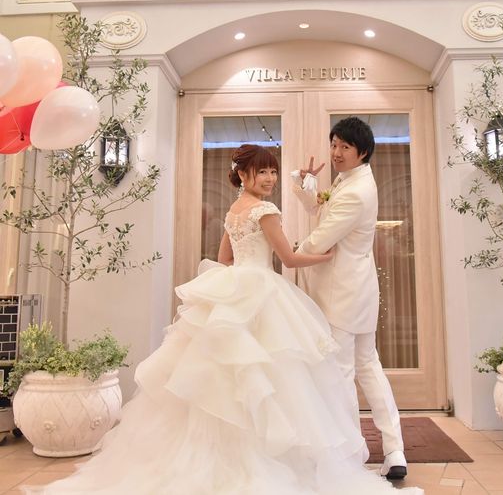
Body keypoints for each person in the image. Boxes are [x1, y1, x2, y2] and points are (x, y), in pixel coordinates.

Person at [24, 144, 422, 494]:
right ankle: (271, 457)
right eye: (261, 171)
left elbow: (224, 259)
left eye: (272, 171)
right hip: (264, 291)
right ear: (243, 174)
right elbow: (288, 259)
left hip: (236, 289)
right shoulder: (266, 210)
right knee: (271, 378)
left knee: (226, 379)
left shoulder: (234, 210)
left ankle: (219, 456)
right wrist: (323, 256)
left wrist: (238, 283)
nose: (269, 178)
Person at [292, 117, 407, 481]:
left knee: (342, 373)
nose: (336, 153)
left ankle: (349, 455)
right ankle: (394, 450)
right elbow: (318, 207)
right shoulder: (351, 180)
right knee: (368, 367)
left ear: (363, 152)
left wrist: (293, 251)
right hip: (356, 290)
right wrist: (306, 183)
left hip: (342, 294)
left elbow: (321, 239)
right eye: (334, 144)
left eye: (345, 147)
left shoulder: (357, 192)